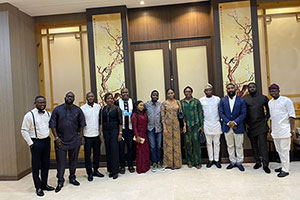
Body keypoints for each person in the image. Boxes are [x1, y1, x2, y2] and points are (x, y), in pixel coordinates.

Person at [49, 92, 86, 193]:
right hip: (61, 141)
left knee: (73, 161)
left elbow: (82, 124)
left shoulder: (78, 110)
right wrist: (56, 138)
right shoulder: (57, 110)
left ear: (74, 99)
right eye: (68, 96)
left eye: (72, 97)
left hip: (74, 139)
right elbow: (52, 125)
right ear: (64, 97)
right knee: (61, 162)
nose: (70, 98)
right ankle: (60, 180)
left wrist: (81, 137)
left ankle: (72, 177)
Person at [21, 96, 55, 196]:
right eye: (40, 103)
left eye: (44, 102)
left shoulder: (48, 114)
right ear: (35, 103)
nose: (42, 104)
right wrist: (31, 143)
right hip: (36, 142)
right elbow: (23, 130)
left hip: (46, 141)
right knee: (36, 166)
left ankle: (44, 184)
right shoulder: (29, 115)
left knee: (46, 164)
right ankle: (38, 187)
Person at [268, 84, 296, 178]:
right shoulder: (270, 102)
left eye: (275, 91)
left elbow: (292, 116)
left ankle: (286, 170)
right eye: (271, 91)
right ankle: (283, 166)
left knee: (284, 150)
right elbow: (272, 117)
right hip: (275, 131)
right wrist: (271, 129)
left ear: (279, 91)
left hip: (285, 130)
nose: (273, 93)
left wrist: (292, 130)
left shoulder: (286, 100)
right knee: (279, 150)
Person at [244, 82, 271, 174]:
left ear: (256, 87)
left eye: (253, 87)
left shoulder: (263, 98)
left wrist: (265, 120)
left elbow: (269, 111)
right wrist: (246, 125)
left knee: (263, 145)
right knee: (254, 145)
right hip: (250, 125)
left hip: (261, 125)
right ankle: (257, 162)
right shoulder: (245, 98)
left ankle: (266, 165)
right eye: (250, 87)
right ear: (248, 89)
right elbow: (244, 113)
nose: (252, 88)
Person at [219, 83, 246, 171]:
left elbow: (243, 113)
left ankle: (239, 162)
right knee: (230, 145)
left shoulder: (241, 100)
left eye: (232, 88)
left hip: (238, 126)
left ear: (235, 89)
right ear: (226, 90)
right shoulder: (223, 101)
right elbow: (221, 113)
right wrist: (228, 122)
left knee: (239, 145)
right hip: (227, 127)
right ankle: (232, 161)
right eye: (228, 88)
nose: (230, 89)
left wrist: (235, 122)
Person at [80, 92, 104, 181]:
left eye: (92, 96)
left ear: (94, 97)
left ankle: (96, 170)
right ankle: (89, 173)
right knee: (87, 155)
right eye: (88, 96)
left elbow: (100, 121)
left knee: (97, 154)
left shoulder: (98, 107)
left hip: (96, 135)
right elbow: (81, 123)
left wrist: (101, 133)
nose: (90, 98)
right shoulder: (82, 108)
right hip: (87, 135)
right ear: (86, 98)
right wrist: (81, 136)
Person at [100, 93, 123, 179]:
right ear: (105, 100)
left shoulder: (117, 109)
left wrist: (120, 133)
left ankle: (115, 171)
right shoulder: (103, 109)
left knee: (114, 150)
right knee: (108, 150)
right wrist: (101, 133)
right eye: (107, 98)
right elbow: (101, 122)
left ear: (113, 99)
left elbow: (120, 122)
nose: (109, 100)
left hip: (114, 131)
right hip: (106, 131)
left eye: (111, 98)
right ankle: (110, 170)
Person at [161, 88, 185, 169]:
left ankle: (177, 164)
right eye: (169, 93)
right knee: (168, 144)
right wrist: (164, 127)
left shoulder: (178, 102)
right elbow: (162, 116)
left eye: (172, 93)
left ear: (174, 93)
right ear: (167, 94)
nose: (170, 94)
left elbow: (181, 114)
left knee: (177, 143)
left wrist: (183, 125)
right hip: (167, 125)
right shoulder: (164, 103)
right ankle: (169, 164)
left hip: (176, 125)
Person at [200, 84, 222, 168]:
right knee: (208, 143)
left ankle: (216, 160)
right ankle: (210, 159)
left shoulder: (217, 99)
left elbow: (220, 110)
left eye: (210, 90)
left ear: (212, 91)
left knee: (217, 143)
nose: (208, 91)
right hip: (206, 123)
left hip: (216, 123)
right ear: (204, 91)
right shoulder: (201, 100)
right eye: (207, 90)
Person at [180, 86, 203, 169]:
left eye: (189, 91)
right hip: (186, 126)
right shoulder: (181, 102)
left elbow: (200, 113)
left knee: (196, 143)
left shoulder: (196, 101)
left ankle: (198, 162)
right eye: (186, 91)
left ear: (192, 92)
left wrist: (201, 126)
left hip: (195, 125)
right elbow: (180, 115)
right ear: (184, 93)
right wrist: (182, 126)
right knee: (188, 144)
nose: (188, 93)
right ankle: (190, 161)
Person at [115, 88, 135, 174]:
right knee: (121, 148)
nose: (125, 94)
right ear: (121, 94)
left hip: (130, 129)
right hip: (121, 129)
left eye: (126, 92)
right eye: (123, 93)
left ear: (128, 93)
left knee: (130, 148)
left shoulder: (133, 102)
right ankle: (122, 166)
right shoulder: (117, 102)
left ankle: (130, 165)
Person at [144, 90, 163, 172]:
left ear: (158, 96)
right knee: (152, 146)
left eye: (156, 95)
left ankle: (159, 161)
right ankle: (154, 162)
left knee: (159, 146)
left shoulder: (161, 105)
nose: (155, 96)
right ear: (151, 96)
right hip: (150, 128)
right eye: (153, 95)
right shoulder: (146, 105)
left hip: (159, 128)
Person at [132, 101, 150, 174]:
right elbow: (134, 127)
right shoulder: (134, 115)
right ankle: (140, 168)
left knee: (146, 151)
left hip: (145, 134)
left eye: (143, 105)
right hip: (139, 135)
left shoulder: (145, 114)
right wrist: (137, 136)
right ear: (136, 106)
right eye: (140, 105)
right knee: (140, 152)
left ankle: (146, 167)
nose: (142, 107)